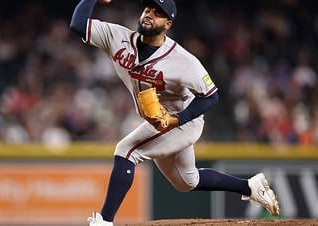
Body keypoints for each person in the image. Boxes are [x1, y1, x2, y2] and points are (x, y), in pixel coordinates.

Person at [70, 0, 280, 225]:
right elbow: (79, 24)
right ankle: (250, 186)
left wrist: (177, 119)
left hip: (184, 121)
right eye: (148, 9)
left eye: (158, 13)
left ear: (167, 24)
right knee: (187, 182)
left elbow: (211, 95)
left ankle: (105, 220)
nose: (150, 14)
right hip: (158, 122)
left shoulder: (183, 60)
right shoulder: (118, 38)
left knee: (127, 150)